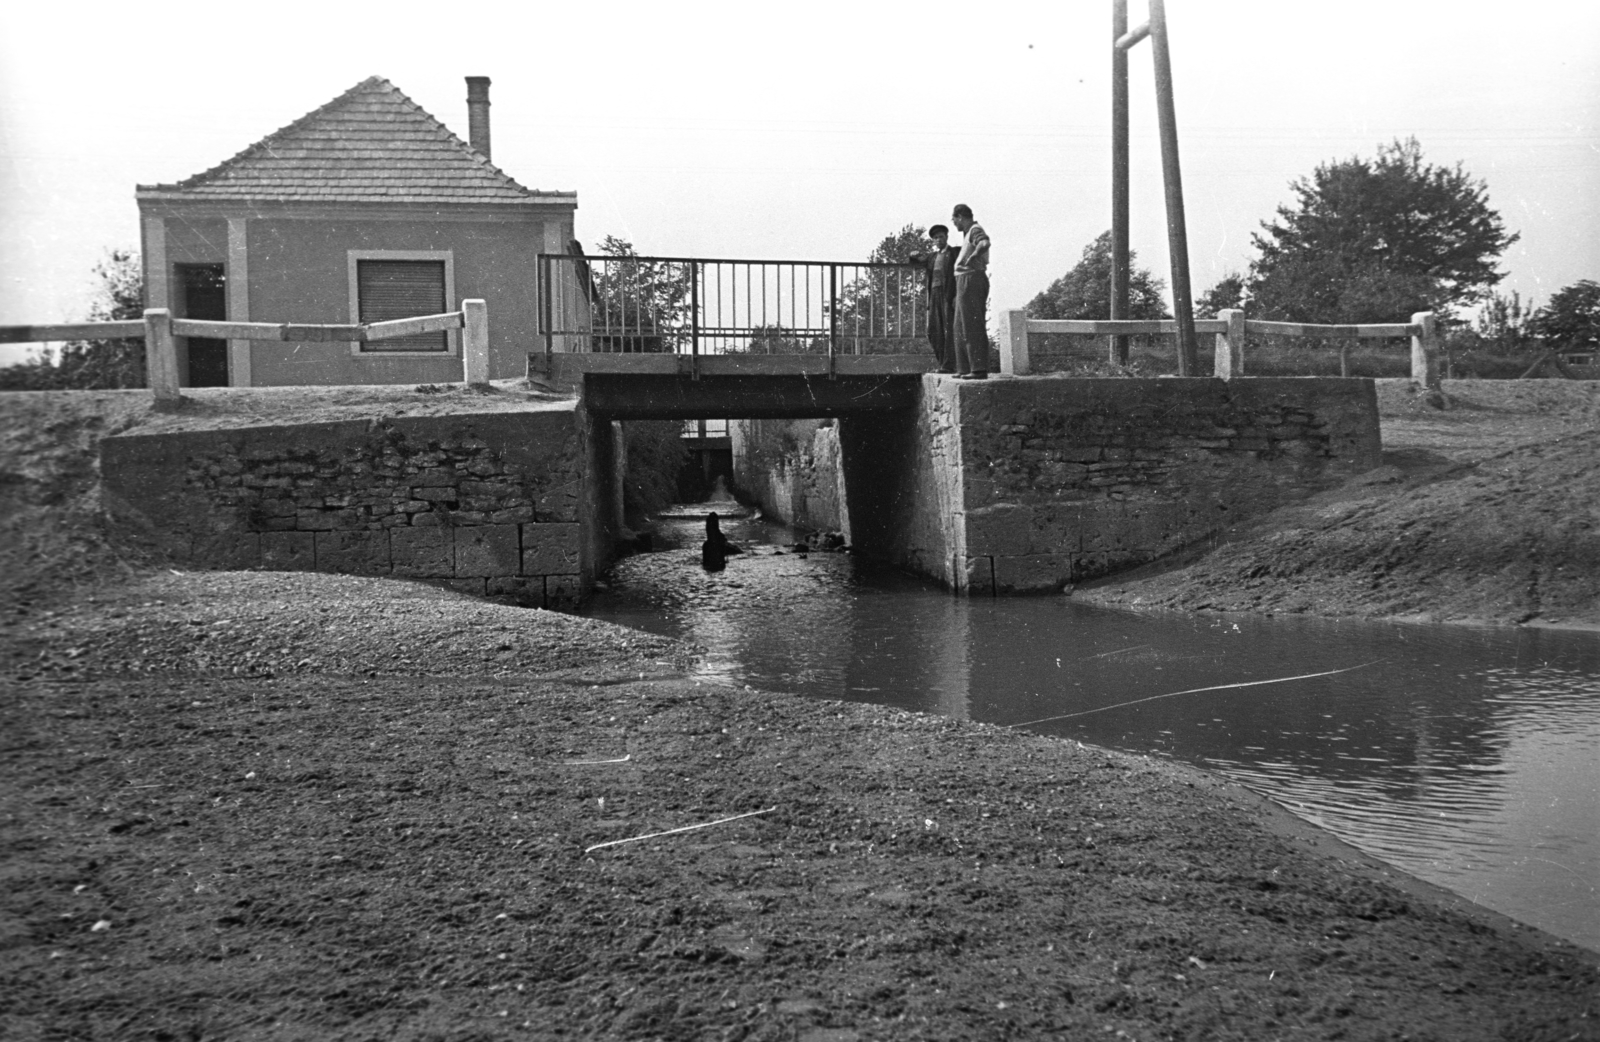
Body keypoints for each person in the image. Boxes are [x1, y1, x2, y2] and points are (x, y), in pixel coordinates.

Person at [907, 224, 961, 373]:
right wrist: (912, 255)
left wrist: (957, 295)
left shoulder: (955, 252)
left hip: (949, 294)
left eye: (941, 237)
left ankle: (949, 365)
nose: (938, 240)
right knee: (933, 331)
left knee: (949, 329)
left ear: (946, 237)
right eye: (935, 238)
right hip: (934, 294)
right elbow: (916, 262)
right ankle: (944, 363)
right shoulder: (932, 257)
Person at [950, 203, 991, 379]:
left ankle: (978, 368)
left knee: (972, 324)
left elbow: (984, 242)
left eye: (954, 219)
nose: (954, 223)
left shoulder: (974, 229)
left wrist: (975, 255)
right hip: (962, 281)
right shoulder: (968, 233)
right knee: (959, 326)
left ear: (960, 217)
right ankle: (964, 368)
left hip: (972, 278)